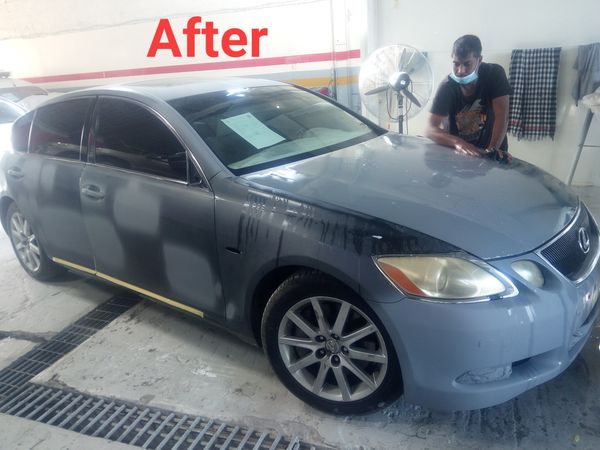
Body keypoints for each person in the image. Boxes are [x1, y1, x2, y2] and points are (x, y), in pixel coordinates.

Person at [426, 35, 511, 162]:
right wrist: (458, 142)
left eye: (467, 64)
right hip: (458, 156)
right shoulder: (447, 87)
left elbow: (502, 116)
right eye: (456, 64)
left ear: (479, 60)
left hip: (492, 150)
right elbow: (430, 129)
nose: (460, 71)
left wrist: (492, 151)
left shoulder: (494, 74)